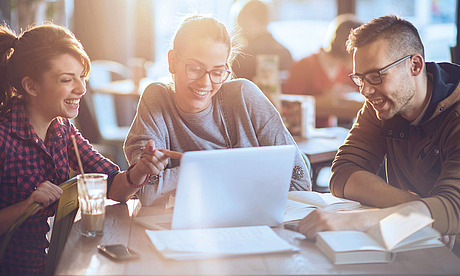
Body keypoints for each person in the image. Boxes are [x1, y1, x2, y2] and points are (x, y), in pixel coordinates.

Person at [0, 23, 168, 274]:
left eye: (82, 76)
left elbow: (113, 186)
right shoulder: (3, 138)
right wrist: (27, 206)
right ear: (31, 86)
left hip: (55, 264)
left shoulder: (62, 129)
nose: (81, 89)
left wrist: (140, 170)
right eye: (67, 80)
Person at [295, 15, 460, 245]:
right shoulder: (382, 105)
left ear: (415, 65)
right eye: (359, 79)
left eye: (376, 76)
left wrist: (357, 221)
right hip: (415, 243)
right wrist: (425, 211)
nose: (365, 91)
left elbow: (454, 207)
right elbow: (343, 173)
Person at [124, 15, 311, 207]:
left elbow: (299, 183)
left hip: (255, 221)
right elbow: (146, 189)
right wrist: (225, 168)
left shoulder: (244, 96)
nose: (205, 83)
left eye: (217, 72)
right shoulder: (156, 98)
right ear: (172, 62)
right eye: (195, 68)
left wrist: (187, 172)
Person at [283, 14, 362, 127]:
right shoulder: (304, 66)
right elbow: (288, 105)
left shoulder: (345, 69)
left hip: (329, 132)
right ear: (346, 46)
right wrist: (323, 98)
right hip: (305, 132)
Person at [231, 0, 293, 81]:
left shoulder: (242, 57)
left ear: (250, 22)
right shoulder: (285, 53)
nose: (240, 30)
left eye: (241, 23)